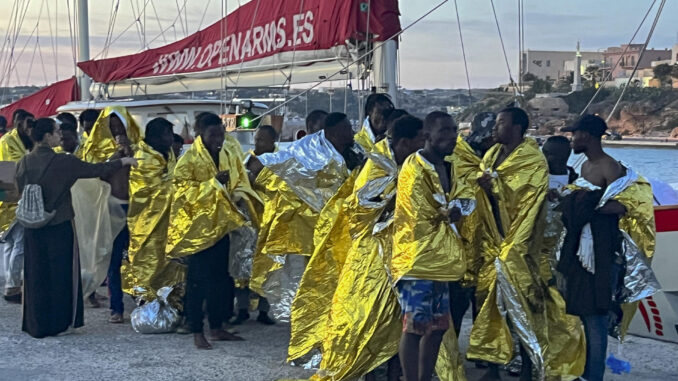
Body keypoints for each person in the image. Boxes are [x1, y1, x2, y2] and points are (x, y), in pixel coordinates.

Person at [316, 115, 427, 381]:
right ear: (404, 142)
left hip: (403, 252)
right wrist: (395, 199)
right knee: (365, 315)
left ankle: (394, 371)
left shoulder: (416, 164)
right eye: (420, 139)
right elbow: (359, 210)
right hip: (373, 254)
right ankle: (367, 372)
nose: (425, 143)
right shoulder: (377, 164)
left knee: (396, 317)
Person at [15, 118, 137, 338]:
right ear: (47, 136)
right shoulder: (63, 161)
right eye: (56, 132)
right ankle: (60, 323)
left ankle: (37, 324)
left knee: (36, 274)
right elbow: (97, 169)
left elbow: (20, 188)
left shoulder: (24, 162)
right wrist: (124, 160)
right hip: (59, 224)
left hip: (32, 227)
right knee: (61, 275)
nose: (60, 135)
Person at [557, 115, 656, 381]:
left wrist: (590, 205)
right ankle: (583, 371)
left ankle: (594, 376)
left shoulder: (609, 166)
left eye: (574, 134)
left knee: (595, 318)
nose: (571, 139)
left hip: (600, 255)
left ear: (586, 136)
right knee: (582, 315)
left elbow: (626, 205)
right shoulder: (586, 165)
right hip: (581, 250)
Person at [249, 112, 359, 326]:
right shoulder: (307, 150)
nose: (352, 133)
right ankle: (308, 331)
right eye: (347, 129)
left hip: (339, 233)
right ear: (334, 132)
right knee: (307, 283)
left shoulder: (353, 154)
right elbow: (263, 165)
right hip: (308, 234)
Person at [469, 107, 549, 381]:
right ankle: (492, 368)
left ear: (517, 128)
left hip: (518, 246)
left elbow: (530, 202)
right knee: (488, 306)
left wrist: (496, 185)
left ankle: (528, 367)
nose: (494, 127)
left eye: (501, 123)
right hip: (491, 243)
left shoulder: (533, 160)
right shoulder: (491, 154)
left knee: (523, 308)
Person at [167, 112, 260, 348]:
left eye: (221, 133)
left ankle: (217, 327)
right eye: (213, 134)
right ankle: (197, 331)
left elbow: (239, 180)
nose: (218, 138)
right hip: (199, 232)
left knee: (221, 278)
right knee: (198, 281)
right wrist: (213, 184)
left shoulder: (228, 152)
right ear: (200, 133)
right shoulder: (188, 160)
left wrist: (239, 196)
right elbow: (182, 194)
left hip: (222, 227)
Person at [391, 112, 466, 381]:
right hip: (416, 260)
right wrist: (449, 213)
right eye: (444, 131)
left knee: (437, 327)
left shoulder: (449, 166)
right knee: (415, 326)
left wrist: (458, 209)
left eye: (454, 130)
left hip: (441, 262)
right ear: (427, 135)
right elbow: (417, 211)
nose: (451, 136)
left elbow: (463, 200)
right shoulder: (415, 165)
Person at [76, 107, 141, 309]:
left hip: (137, 209)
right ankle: (116, 307)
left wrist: (130, 150)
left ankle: (143, 300)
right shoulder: (97, 148)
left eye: (119, 125)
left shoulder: (140, 147)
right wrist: (118, 155)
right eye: (111, 126)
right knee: (112, 259)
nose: (116, 130)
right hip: (111, 208)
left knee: (138, 257)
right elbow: (95, 175)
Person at [447, 111, 496, 338]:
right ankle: (453, 351)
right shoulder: (457, 158)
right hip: (461, 241)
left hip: (490, 240)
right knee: (458, 300)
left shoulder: (498, 159)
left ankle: (482, 351)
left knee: (486, 298)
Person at [231, 125, 277, 326]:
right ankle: (241, 308)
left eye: (262, 140)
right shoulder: (246, 159)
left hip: (268, 221)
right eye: (256, 139)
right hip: (248, 221)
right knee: (242, 264)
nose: (258, 144)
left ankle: (264, 310)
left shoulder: (277, 162)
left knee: (266, 267)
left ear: (273, 142)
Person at [1, 109, 34, 303]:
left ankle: (10, 284)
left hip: (12, 196)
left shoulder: (20, 141)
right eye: (29, 124)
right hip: (12, 198)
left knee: (11, 244)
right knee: (18, 244)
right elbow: (15, 168)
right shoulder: (8, 141)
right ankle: (12, 287)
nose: (31, 128)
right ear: (19, 122)